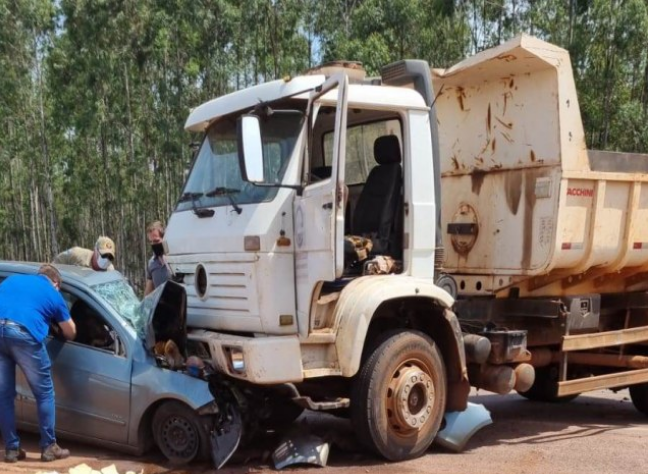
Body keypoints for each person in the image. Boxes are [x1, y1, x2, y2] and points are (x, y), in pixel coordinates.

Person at [0, 264, 77, 463]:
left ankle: (11, 449)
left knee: (4, 395)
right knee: (44, 393)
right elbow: (70, 332)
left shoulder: (12, 280)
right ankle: (49, 447)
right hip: (23, 334)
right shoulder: (52, 293)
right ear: (56, 283)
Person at [144, 221, 172, 296]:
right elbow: (148, 293)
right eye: (151, 242)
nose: (154, 244)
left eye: (156, 241)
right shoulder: (152, 263)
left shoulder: (174, 260)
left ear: (164, 238)